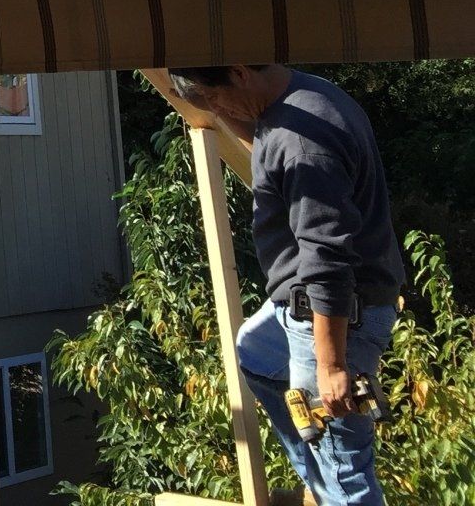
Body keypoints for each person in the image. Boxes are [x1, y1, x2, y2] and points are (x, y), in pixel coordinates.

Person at [166, 64, 405, 506]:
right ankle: (319, 481)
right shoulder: (299, 99)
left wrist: (331, 366)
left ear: (238, 72)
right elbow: (265, 146)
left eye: (212, 97)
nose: (214, 109)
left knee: (344, 471)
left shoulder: (301, 145)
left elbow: (327, 260)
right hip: (306, 306)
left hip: (332, 314)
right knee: (256, 352)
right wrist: (205, 95)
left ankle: (330, 486)